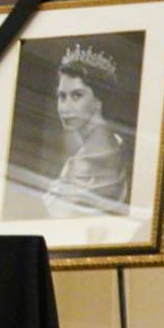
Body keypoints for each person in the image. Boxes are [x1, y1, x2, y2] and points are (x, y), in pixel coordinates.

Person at [42, 44, 130, 217]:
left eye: (77, 96)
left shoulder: (95, 159)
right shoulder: (112, 142)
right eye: (62, 96)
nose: (65, 108)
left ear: (98, 101)